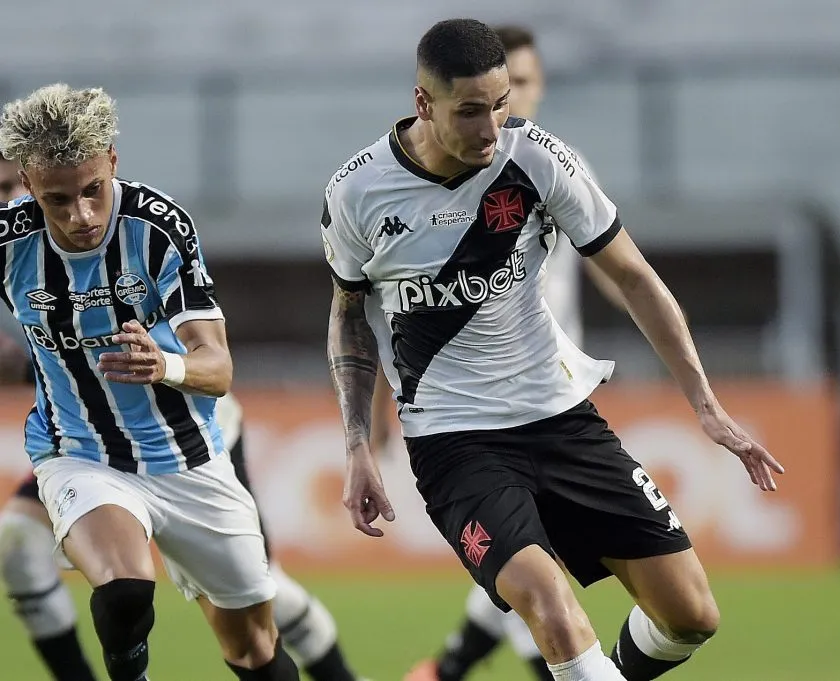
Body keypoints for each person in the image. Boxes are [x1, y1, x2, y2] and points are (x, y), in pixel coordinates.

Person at [323, 19, 783, 681]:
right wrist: (357, 443)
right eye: (470, 111)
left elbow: (633, 276)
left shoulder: (537, 159)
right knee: (552, 606)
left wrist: (706, 406)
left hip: (562, 418)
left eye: (502, 104)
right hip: (456, 441)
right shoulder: (357, 192)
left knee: (691, 614)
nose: (491, 128)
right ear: (424, 103)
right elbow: (347, 318)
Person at [0, 83, 299, 680]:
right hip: (81, 455)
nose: (80, 216)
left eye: (92, 192)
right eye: (58, 200)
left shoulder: (158, 229)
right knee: (125, 589)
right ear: (28, 185)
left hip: (191, 459)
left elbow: (218, 370)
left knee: (255, 651)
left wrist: (167, 366)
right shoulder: (9, 243)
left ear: (112, 161)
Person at [395, 24, 617, 681]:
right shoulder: (438, 179)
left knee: (530, 557)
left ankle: (450, 666)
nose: (508, 101)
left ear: (537, 87)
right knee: (530, 561)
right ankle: (467, 665)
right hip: (477, 404)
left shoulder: (555, 164)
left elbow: (612, 263)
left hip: (553, 387)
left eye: (520, 85)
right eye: (498, 89)